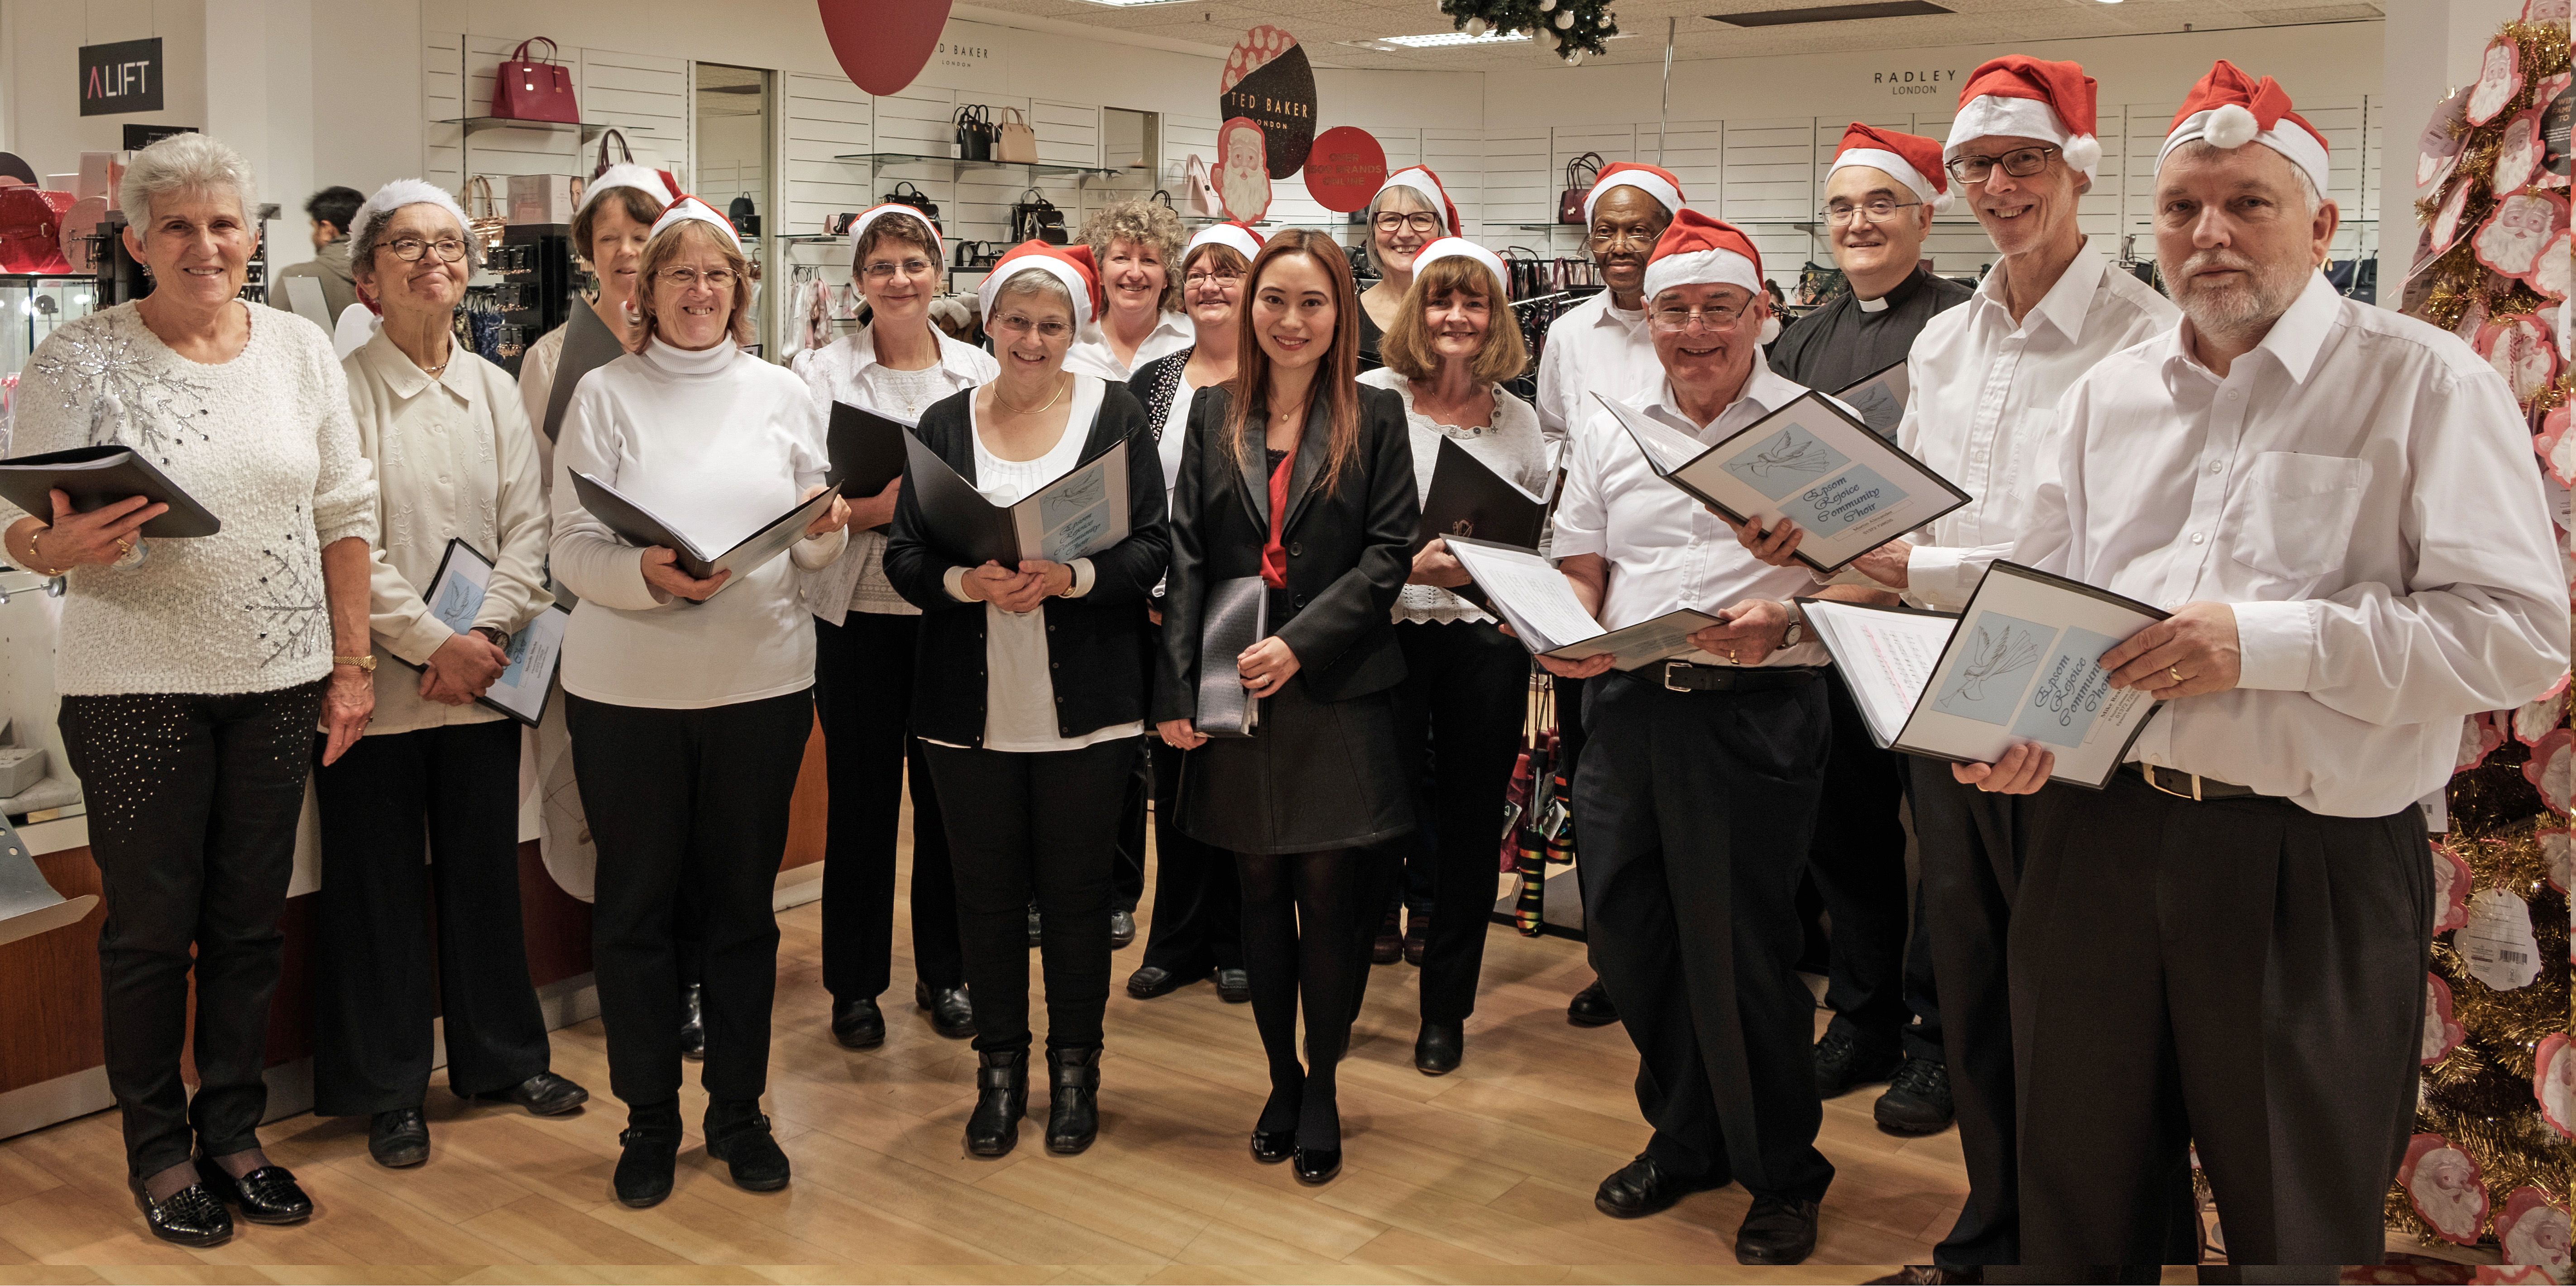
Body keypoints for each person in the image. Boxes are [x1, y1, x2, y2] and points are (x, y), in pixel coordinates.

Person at [1972, 61, 2567, 1266]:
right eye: (2183, 208)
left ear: (2323, 224)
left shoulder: (2423, 386)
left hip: (2309, 859)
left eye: (2248, 202)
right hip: (2095, 838)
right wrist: (2022, 711)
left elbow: (2518, 635)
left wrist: (2261, 643)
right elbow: (2048, 598)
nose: (2209, 236)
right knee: (2078, 1194)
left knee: (2288, 1221)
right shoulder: (2107, 399)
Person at [1737, 56, 2179, 1274]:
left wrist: (1903, 566)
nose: (1996, 186)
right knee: (1976, 982)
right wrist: (1824, 539)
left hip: (2072, 698)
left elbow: (2100, 544)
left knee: (2082, 1002)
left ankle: (2091, 1245)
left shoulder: (2145, 335)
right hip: (1945, 686)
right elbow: (1913, 508)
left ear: (2076, 172)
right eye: (1977, 166)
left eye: (2021, 162)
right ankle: (1994, 1229)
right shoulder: (1949, 340)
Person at [0, 133, 378, 1245]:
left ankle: (235, 1130)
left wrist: (350, 663)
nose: (204, 244)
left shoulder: (303, 351)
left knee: (250, 923)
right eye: (178, 225)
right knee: (152, 931)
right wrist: (52, 549)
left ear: (251, 235)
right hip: (132, 685)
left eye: (222, 223)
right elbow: (26, 519)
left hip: (278, 677)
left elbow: (344, 515)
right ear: (137, 242)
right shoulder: (81, 357)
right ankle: (159, 1148)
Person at [1545, 211, 1848, 1267]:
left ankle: (1779, 1169)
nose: (1695, 329)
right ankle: (1687, 1132)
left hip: (1753, 706)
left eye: (1719, 307)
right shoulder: (1608, 420)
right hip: (1626, 701)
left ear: (1759, 314)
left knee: (1738, 952)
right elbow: (1580, 552)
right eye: (1673, 309)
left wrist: (1793, 614)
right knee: (1625, 935)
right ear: (1649, 319)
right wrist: (1564, 626)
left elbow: (1871, 572)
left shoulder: (1811, 426)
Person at [550, 196, 852, 1208]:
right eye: (677, 273)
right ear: (641, 289)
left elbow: (815, 535)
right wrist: (647, 570)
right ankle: (647, 1117)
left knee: (739, 912)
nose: (698, 291)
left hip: (759, 682)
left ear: (742, 290)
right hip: (626, 689)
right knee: (635, 910)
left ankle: (738, 1110)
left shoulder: (781, 391)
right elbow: (568, 545)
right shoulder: (603, 392)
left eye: (717, 274)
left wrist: (824, 529)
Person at [314, 181, 589, 1173]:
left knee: (484, 874)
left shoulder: (493, 384)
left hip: (480, 678)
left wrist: (485, 636)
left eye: (448, 243)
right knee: (377, 886)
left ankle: (503, 1059)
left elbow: (531, 525)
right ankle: (389, 1087)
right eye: (406, 245)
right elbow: (342, 540)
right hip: (379, 688)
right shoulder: (340, 390)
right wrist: (438, 642)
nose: (434, 258)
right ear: (368, 278)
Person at [883, 240, 1168, 1157]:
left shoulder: (1112, 412)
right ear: (989, 323)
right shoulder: (940, 421)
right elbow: (904, 557)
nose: (1033, 340)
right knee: (988, 895)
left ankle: (1076, 1070)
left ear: (1073, 330)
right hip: (967, 710)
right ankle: (999, 1070)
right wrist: (967, 585)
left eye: (1052, 325)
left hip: (1086, 703)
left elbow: (1152, 547)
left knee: (1080, 896)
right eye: (1017, 321)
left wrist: (1074, 575)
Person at [1154, 229, 1416, 1186]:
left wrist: (1300, 641)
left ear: (1339, 314)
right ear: (1249, 308)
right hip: (1233, 683)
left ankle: (1325, 1086)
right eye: (1274, 301)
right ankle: (1277, 1074)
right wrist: (1178, 688)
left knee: (1329, 897)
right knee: (1255, 893)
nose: (1291, 320)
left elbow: (1389, 554)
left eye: (1312, 303)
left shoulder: (1374, 416)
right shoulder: (1211, 411)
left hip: (1334, 688)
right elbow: (1186, 554)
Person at [1762, 124, 1973, 1139]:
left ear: (1925, 216)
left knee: (1938, 841)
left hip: (1927, 616)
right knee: (1843, 832)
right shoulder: (1804, 333)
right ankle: (1862, 1017)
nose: (1858, 223)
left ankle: (1938, 1040)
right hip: (1832, 622)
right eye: (1842, 206)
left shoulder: (1964, 326)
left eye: (1880, 204)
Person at [792, 203, 990, 1050]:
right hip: (857, 616)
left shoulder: (979, 370)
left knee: (951, 808)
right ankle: (855, 985)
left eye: (914, 264)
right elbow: (805, 504)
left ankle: (946, 973)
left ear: (938, 274)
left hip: (949, 611)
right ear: (858, 283)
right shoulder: (819, 374)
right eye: (882, 268)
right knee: (863, 808)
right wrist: (882, 508)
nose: (899, 281)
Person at [1357, 238, 1544, 1076]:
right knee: (1369, 819)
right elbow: (1331, 532)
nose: (1455, 319)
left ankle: (1446, 1008)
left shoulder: (1522, 418)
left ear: (1495, 317)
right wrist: (1404, 564)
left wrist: (1521, 606)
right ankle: (1340, 986)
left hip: (1482, 640)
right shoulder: (1367, 398)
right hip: (1381, 630)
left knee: (1471, 826)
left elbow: (1535, 537)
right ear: (1414, 311)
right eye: (1440, 301)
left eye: (1473, 304)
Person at [1530, 160, 1686, 1029]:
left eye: (1640, 228)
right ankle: (1614, 955)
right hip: (1595, 582)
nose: (1622, 246)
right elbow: (1556, 441)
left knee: (1676, 781)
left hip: (1678, 582)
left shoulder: (1697, 317)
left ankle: (1681, 947)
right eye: (1607, 231)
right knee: (1600, 778)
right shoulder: (1568, 335)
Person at [1125, 221, 1263, 1005]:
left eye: (1230, 272)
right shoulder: (1156, 378)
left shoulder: (1280, 374)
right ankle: (1176, 940)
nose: (1211, 285)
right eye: (1200, 272)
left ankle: (1238, 937)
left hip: (1249, 604)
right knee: (1174, 774)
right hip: (1161, 602)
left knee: (1239, 777)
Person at [517, 166, 675, 480]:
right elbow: (529, 478)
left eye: (641, 238)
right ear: (589, 251)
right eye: (609, 238)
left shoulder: (682, 348)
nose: (626, 250)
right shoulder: (549, 359)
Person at [1066, 196, 1192, 387]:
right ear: (1098, 272)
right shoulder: (1071, 342)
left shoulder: (1193, 338)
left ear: (1167, 277)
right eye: (1121, 258)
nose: (1135, 273)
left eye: (1149, 260)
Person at [1352, 167, 1460, 374]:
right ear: (1373, 231)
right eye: (1390, 219)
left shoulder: (1468, 317)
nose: (1404, 233)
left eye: (1421, 219)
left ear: (1441, 229)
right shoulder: (1344, 317)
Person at [267, 184, 364, 323]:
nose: (312, 236)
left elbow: (273, 335)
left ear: (327, 229)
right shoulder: (384, 276)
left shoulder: (295, 277)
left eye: (314, 227)